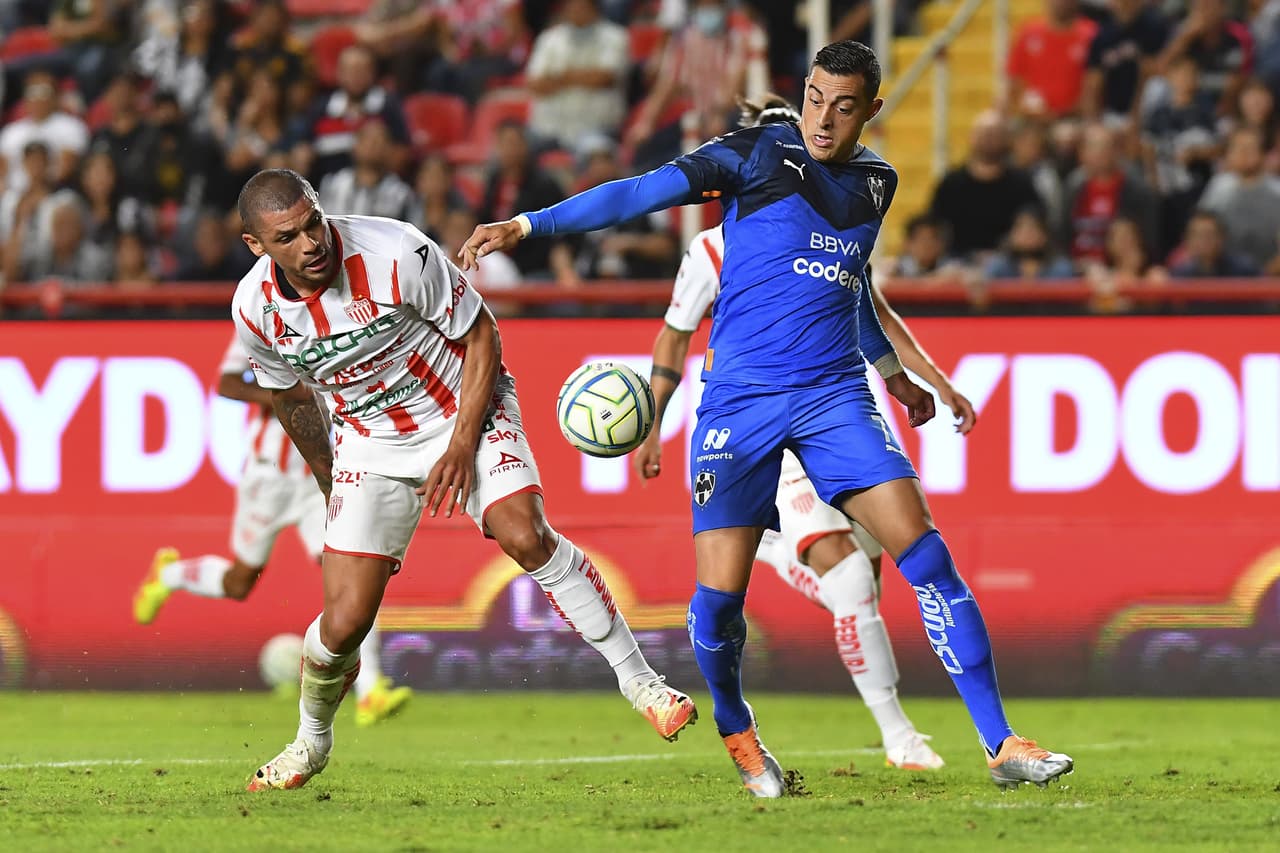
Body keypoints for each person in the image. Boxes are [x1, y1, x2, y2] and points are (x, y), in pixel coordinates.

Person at [460, 39, 1073, 798]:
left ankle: (1000, 740)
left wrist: (897, 378)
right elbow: (640, 192)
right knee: (719, 600)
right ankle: (739, 732)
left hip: (834, 395)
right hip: (739, 403)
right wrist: (528, 226)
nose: (824, 116)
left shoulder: (877, 182)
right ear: (803, 90)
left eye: (844, 105)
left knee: (928, 560)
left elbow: (848, 288)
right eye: (816, 97)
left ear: (871, 110)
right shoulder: (756, 153)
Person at [230, 169, 696, 792]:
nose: (310, 243)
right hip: (368, 441)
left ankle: (642, 682)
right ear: (257, 246)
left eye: (313, 222)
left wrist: (459, 443)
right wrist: (329, 479)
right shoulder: (253, 308)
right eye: (288, 236)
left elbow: (482, 337)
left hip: (463, 405)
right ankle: (309, 746)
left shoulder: (396, 250)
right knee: (342, 623)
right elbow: (290, 398)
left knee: (524, 534)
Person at [632, 98, 976, 772]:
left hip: (834, 419)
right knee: (851, 580)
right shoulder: (708, 249)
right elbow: (674, 331)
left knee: (877, 566)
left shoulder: (831, 221)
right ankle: (899, 734)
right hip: (759, 427)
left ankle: (768, 545)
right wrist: (653, 418)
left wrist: (934, 380)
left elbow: (876, 314)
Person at [132, 333, 413, 728]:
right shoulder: (258, 317)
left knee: (353, 574)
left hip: (319, 478)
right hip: (269, 480)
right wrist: (288, 397)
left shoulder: (345, 319)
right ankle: (171, 574)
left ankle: (371, 692)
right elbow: (227, 383)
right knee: (239, 582)